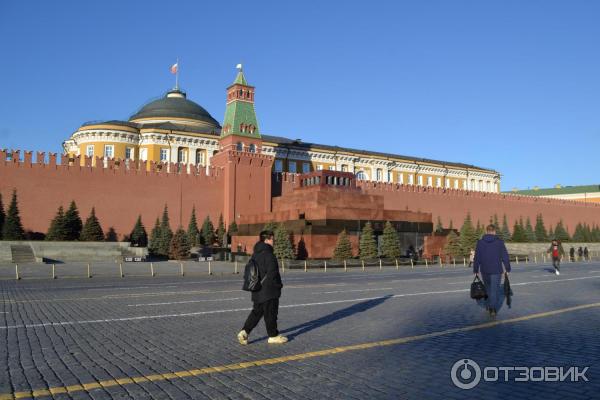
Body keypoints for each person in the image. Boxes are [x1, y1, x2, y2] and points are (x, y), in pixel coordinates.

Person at [238, 230, 288, 345]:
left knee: (256, 312)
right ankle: (273, 336)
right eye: (272, 239)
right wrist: (278, 286)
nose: (273, 242)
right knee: (270, 313)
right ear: (266, 240)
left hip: (257, 289)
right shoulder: (269, 255)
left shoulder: (255, 254)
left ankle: (245, 331)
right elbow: (272, 274)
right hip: (269, 290)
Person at [473, 224, 511, 317]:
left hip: (485, 269)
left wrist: (475, 269)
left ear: (486, 231)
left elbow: (477, 257)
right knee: (494, 290)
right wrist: (507, 268)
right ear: (494, 232)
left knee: (488, 289)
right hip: (496, 270)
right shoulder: (499, 242)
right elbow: (505, 256)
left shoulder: (480, 242)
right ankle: (492, 309)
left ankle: (488, 306)